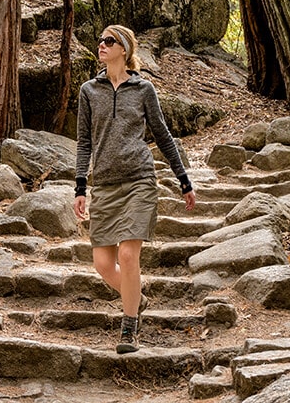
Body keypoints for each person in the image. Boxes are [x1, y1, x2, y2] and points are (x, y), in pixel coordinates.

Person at [73, 24, 197, 354]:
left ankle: (129, 328)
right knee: (102, 264)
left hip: (140, 180)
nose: (101, 45)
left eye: (109, 41)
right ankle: (136, 298)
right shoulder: (88, 90)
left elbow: (163, 135)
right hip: (105, 184)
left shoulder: (144, 90)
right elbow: (84, 142)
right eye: (99, 40)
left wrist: (183, 180)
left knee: (128, 256)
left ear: (124, 50)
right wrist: (80, 187)